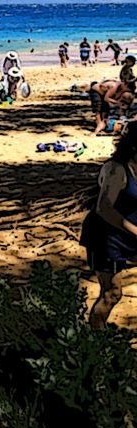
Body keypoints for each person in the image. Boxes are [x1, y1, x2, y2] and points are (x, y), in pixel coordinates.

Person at [80, 123, 137, 328]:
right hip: (105, 237)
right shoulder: (116, 169)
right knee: (112, 293)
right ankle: (94, 337)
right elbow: (104, 208)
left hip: (129, 235)